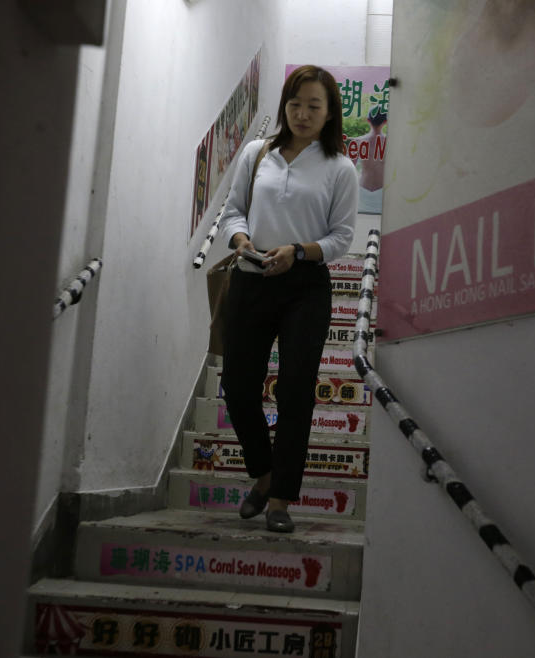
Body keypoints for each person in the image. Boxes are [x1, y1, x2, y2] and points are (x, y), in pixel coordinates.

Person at [219, 65, 358, 533]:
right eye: (295, 104)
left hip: (305, 287)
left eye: (313, 105)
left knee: (296, 390)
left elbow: (342, 238)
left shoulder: (340, 168)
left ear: (330, 111)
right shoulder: (258, 154)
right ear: (284, 105)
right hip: (250, 277)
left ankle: (279, 500)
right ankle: (264, 474)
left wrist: (298, 252)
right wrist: (241, 243)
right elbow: (233, 212)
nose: (302, 113)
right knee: (238, 388)